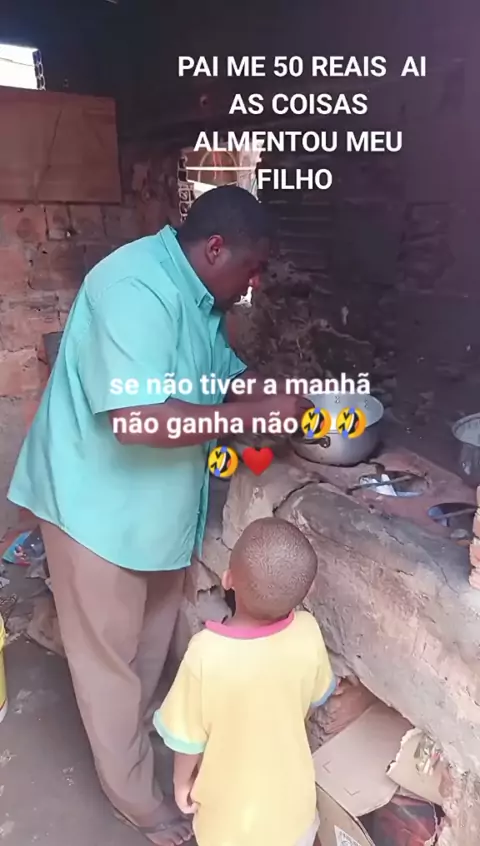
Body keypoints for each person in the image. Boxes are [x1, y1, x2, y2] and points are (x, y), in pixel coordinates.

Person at [7, 186, 310, 846]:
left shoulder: (202, 300)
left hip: (156, 513)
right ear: (216, 248)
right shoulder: (133, 289)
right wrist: (251, 417)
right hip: (95, 510)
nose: (255, 284)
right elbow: (136, 420)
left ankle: (138, 744)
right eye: (252, 268)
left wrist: (273, 394)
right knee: (109, 669)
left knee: (147, 648)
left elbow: (222, 377)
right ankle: (137, 802)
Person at [154, 517, 336, 846]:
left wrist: (182, 784)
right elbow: (312, 700)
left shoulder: (205, 654)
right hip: (294, 813)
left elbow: (187, 740)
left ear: (228, 580)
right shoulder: (308, 631)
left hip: (229, 826)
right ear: (306, 591)